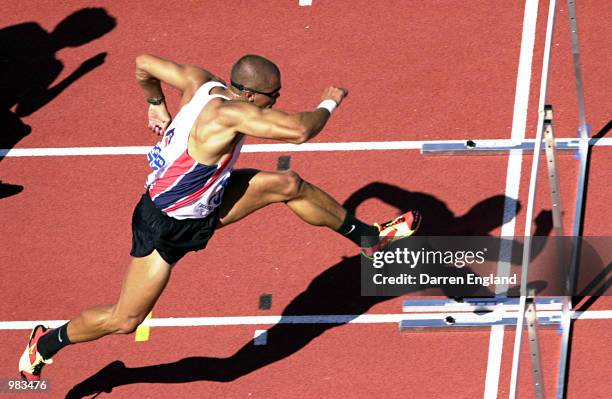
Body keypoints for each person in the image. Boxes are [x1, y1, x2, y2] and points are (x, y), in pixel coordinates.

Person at [19, 54, 421, 380]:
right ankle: (46, 342)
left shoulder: (198, 79)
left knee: (288, 184)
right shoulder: (228, 115)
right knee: (126, 320)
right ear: (247, 95)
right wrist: (328, 102)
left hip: (208, 200)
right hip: (168, 226)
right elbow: (299, 131)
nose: (275, 103)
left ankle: (369, 239)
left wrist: (155, 103)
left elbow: (142, 62)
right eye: (272, 97)